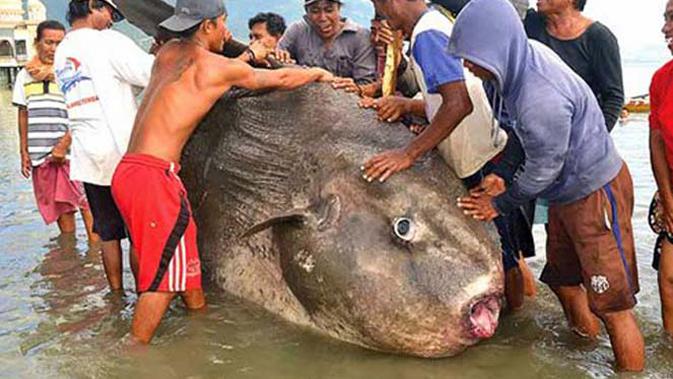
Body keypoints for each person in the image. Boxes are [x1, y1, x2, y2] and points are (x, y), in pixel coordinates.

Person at [110, 0, 334, 344]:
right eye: (224, 24)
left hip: (129, 171)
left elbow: (207, 76)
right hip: (156, 176)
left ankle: (198, 324)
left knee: (181, 251)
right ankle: (132, 351)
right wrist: (317, 73)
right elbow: (280, 77)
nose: (227, 32)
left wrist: (244, 55)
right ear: (209, 26)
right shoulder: (214, 67)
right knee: (167, 274)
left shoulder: (168, 53)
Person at [451, 0, 643, 371]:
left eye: (472, 56)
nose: (467, 66)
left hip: (594, 191)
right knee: (565, 283)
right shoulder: (521, 59)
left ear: (495, 46)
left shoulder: (541, 95)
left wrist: (501, 203)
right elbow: (523, 136)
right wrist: (502, 172)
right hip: (565, 194)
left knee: (613, 306)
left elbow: (543, 168)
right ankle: (584, 356)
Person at [54, 0, 154, 292]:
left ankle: (115, 295)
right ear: (92, 6)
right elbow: (149, 74)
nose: (112, 20)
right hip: (120, 153)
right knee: (137, 233)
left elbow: (111, 83)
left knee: (108, 233)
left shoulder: (63, 50)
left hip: (88, 157)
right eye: (111, 12)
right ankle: (143, 294)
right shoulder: (106, 41)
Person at [12, 20, 97, 245]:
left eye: (59, 43)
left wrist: (63, 145)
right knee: (61, 210)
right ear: (37, 43)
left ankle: (96, 262)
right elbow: (23, 114)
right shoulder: (24, 76)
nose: (53, 48)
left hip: (72, 154)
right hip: (42, 156)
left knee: (86, 204)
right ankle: (70, 261)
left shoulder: (72, 73)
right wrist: (24, 152)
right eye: (48, 42)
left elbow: (82, 113)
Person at [524, 0, 624, 132]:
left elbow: (613, 97)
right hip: (530, 133)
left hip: (577, 134)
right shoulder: (530, 25)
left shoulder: (598, 37)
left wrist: (594, 138)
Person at [279, 0, 377, 86]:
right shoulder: (296, 31)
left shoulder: (360, 36)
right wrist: (281, 56)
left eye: (329, 10)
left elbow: (366, 82)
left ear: (339, 9)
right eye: (315, 11)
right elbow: (277, 64)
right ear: (306, 13)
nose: (322, 18)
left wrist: (356, 88)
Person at [648, 0, 673, 337]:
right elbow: (656, 140)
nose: (665, 28)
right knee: (668, 282)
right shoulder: (662, 79)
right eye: (666, 18)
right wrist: (667, 197)